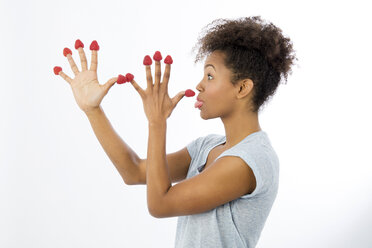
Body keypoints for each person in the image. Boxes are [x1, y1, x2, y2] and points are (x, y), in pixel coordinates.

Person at [54, 15, 297, 248]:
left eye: (210, 76)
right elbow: (134, 171)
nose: (199, 85)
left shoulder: (251, 159)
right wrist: (93, 110)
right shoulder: (207, 147)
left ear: (243, 87)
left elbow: (160, 204)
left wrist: (157, 123)